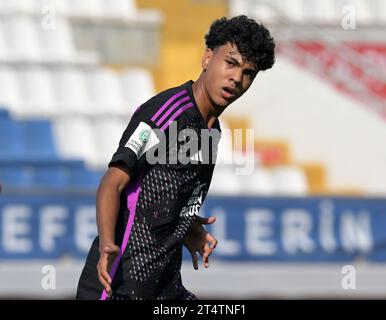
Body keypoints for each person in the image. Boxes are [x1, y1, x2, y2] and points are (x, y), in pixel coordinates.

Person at [76, 14, 275, 300]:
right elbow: (113, 181)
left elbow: (160, 189)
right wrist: (108, 243)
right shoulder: (167, 113)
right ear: (207, 58)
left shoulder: (212, 130)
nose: (237, 78)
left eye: (248, 73)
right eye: (230, 63)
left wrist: (185, 226)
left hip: (164, 287)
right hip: (118, 286)